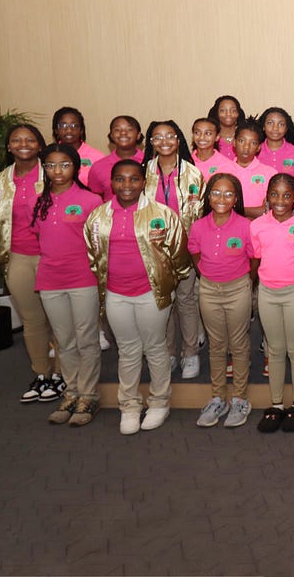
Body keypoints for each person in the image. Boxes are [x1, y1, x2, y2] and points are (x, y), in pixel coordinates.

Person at [85, 160, 191, 435]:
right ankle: (129, 405)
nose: (127, 185)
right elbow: (93, 256)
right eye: (120, 179)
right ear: (112, 182)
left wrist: (167, 282)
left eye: (134, 179)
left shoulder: (162, 214)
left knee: (156, 348)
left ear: (144, 182)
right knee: (128, 350)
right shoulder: (98, 216)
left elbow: (179, 256)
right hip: (116, 295)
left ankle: (159, 403)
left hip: (151, 294)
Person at [0, 124, 60, 402]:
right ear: (9, 147)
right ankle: (43, 374)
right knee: (32, 320)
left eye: (30, 139)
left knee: (59, 320)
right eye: (16, 140)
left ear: (40, 145)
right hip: (17, 256)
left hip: (52, 256)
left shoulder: (55, 174)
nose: (23, 144)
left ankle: (63, 375)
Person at [31, 143, 103, 425]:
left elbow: (98, 243)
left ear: (76, 167)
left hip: (83, 278)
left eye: (64, 164)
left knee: (86, 338)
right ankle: (71, 392)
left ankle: (89, 395)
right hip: (50, 280)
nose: (57, 170)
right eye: (50, 165)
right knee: (64, 340)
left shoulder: (91, 201)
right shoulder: (39, 200)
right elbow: (40, 236)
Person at [251, 174, 294, 433]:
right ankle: (277, 404)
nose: (280, 200)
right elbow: (256, 260)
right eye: (275, 195)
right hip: (268, 292)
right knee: (275, 349)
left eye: (287, 195)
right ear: (267, 196)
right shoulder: (257, 226)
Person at [188, 173, 255, 428]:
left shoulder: (245, 225)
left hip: (238, 288)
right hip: (208, 289)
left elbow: (253, 259)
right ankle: (218, 398)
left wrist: (247, 281)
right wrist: (204, 273)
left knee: (238, 344)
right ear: (208, 196)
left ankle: (239, 398)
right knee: (216, 345)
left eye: (228, 194)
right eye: (216, 192)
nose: (221, 198)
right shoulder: (199, 225)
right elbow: (194, 252)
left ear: (236, 198)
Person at [142, 120, 205, 379]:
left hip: (185, 249)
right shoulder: (142, 172)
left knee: (187, 302)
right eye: (158, 137)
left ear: (179, 140)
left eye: (170, 136)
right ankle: (168, 352)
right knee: (162, 304)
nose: (164, 141)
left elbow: (199, 215)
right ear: (151, 143)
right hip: (153, 250)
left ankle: (190, 353)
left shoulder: (193, 173)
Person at [227, 119, 278, 220]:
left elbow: (267, 210)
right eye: (242, 141)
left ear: (259, 147)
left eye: (253, 143)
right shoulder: (222, 171)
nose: (246, 147)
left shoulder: (270, 173)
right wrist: (252, 211)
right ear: (234, 142)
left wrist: (236, 209)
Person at [87, 115, 144, 199]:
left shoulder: (152, 163)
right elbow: (95, 199)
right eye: (117, 130)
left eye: (129, 129)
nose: (123, 133)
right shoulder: (98, 167)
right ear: (111, 136)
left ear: (138, 135)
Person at [51, 106, 104, 185]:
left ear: (81, 130)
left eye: (74, 126)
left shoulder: (97, 157)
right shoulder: (49, 155)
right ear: (56, 130)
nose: (69, 130)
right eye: (63, 126)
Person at [256, 106, 294, 180]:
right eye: (270, 123)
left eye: (281, 124)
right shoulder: (254, 152)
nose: (275, 128)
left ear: (286, 128)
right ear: (263, 126)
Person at [208, 94, 245, 161]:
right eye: (223, 110)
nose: (228, 114)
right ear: (216, 113)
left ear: (238, 113)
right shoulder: (210, 138)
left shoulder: (246, 136)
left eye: (233, 110)